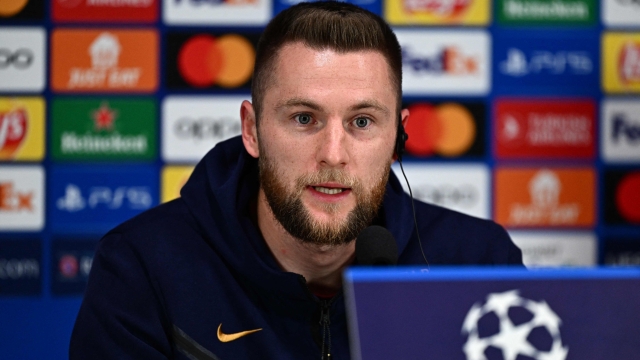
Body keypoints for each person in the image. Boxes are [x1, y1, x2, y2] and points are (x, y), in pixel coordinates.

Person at [69, 2, 523, 359]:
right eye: (304, 118)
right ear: (252, 130)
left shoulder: (479, 263)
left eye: (362, 122)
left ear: (397, 137)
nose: (333, 154)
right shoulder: (142, 268)